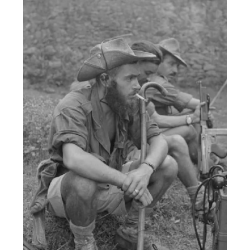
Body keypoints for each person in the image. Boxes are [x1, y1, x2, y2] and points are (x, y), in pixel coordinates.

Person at [30, 38, 211, 250]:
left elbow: (159, 140)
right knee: (83, 180)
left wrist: (145, 168)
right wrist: (125, 181)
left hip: (110, 186)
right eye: (131, 78)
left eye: (138, 77)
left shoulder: (130, 102)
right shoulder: (73, 104)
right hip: (68, 195)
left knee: (168, 164)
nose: (138, 85)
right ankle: (84, 242)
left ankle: (131, 230)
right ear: (106, 79)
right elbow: (73, 158)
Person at [131, 40, 203, 165]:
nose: (175, 70)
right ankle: (201, 160)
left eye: (177, 66)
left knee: (191, 119)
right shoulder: (154, 83)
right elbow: (196, 103)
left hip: (147, 129)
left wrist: (192, 116)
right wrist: (191, 118)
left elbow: (154, 116)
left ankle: (202, 158)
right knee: (188, 130)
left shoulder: (147, 81)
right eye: (171, 64)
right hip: (138, 139)